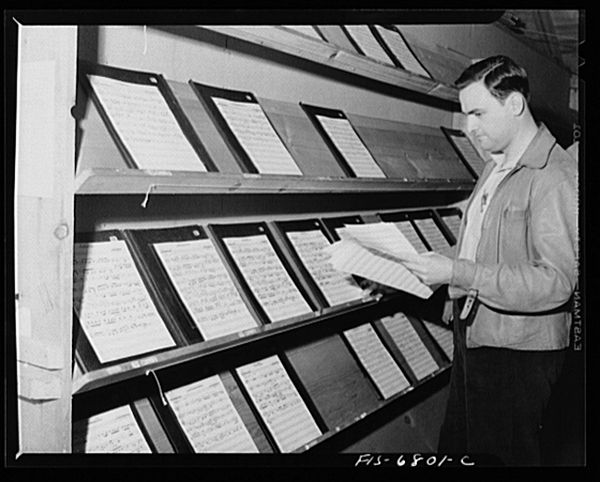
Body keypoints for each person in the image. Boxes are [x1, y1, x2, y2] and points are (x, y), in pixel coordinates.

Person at [388, 56, 578, 465]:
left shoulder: (553, 174)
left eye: (477, 112)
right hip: (475, 337)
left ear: (514, 104)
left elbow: (556, 281)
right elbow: (480, 251)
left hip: (517, 355)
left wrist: (458, 272)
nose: (469, 127)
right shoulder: (496, 167)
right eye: (464, 114)